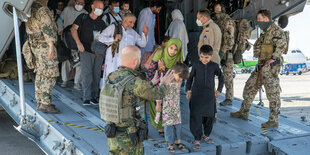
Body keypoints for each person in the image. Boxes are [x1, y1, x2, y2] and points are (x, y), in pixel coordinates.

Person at [101, 45, 175, 154]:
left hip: (112, 133)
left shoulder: (111, 76)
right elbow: (157, 94)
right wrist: (164, 84)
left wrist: (151, 83)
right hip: (129, 137)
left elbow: (129, 93)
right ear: (135, 61)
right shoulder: (134, 82)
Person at [230, 9, 288, 128]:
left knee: (273, 93)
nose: (258, 21)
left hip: (270, 67)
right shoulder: (265, 32)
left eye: (259, 19)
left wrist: (274, 58)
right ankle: (243, 112)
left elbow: (282, 44)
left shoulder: (276, 30)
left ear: (266, 18)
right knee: (249, 87)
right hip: (261, 66)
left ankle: (273, 120)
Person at [23, 1, 60, 113]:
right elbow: (47, 27)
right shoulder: (42, 9)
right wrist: (51, 46)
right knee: (50, 74)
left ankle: (40, 100)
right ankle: (45, 103)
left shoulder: (29, 7)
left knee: (40, 72)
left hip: (34, 44)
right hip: (44, 45)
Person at [186, 45, 224, 149]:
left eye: (206, 57)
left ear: (211, 56)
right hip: (197, 96)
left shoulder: (214, 66)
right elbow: (190, 79)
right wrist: (188, 90)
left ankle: (206, 135)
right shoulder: (196, 65)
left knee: (209, 117)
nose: (204, 59)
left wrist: (219, 90)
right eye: (202, 57)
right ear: (200, 55)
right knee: (196, 118)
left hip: (209, 97)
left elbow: (221, 77)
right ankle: (197, 138)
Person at [71, 0, 106, 105]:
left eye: (102, 7)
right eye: (98, 6)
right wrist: (78, 43)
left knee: (96, 74)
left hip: (98, 52)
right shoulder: (83, 17)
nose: (100, 9)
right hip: (85, 50)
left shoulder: (101, 22)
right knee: (87, 74)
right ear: (92, 6)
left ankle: (94, 96)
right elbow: (73, 29)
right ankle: (86, 97)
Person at [146, 38, 183, 137]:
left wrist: (162, 68)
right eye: (171, 48)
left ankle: (167, 126)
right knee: (156, 107)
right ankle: (159, 126)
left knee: (167, 108)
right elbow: (151, 70)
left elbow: (177, 76)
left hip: (171, 88)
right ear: (167, 47)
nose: (172, 51)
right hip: (157, 84)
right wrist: (151, 84)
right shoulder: (159, 54)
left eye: (175, 50)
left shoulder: (179, 59)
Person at [99, 13, 148, 84]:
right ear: (124, 20)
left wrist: (145, 34)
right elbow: (101, 37)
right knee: (111, 81)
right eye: (130, 22)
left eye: (133, 23)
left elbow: (142, 44)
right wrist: (113, 39)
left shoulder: (133, 32)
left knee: (123, 82)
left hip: (126, 63)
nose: (132, 25)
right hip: (113, 61)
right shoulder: (113, 27)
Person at [155, 62, 189, 153]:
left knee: (178, 125)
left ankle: (178, 141)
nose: (181, 80)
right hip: (167, 107)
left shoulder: (179, 80)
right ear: (174, 72)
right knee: (168, 126)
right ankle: (169, 143)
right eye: (180, 77)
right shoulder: (166, 80)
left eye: (182, 78)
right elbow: (159, 93)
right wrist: (158, 104)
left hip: (176, 108)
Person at [57, 0, 87, 90]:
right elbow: (59, 21)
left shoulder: (85, 14)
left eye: (82, 3)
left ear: (84, 5)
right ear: (74, 3)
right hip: (66, 38)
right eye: (78, 2)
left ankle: (77, 83)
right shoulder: (67, 10)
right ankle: (64, 80)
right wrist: (60, 31)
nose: (79, 5)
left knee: (79, 61)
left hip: (78, 40)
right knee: (66, 60)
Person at [213, 3, 236, 106]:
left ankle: (229, 98)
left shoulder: (228, 21)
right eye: (215, 8)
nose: (217, 10)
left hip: (227, 54)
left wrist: (222, 52)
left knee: (227, 76)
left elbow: (230, 42)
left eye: (218, 8)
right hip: (217, 52)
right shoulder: (216, 21)